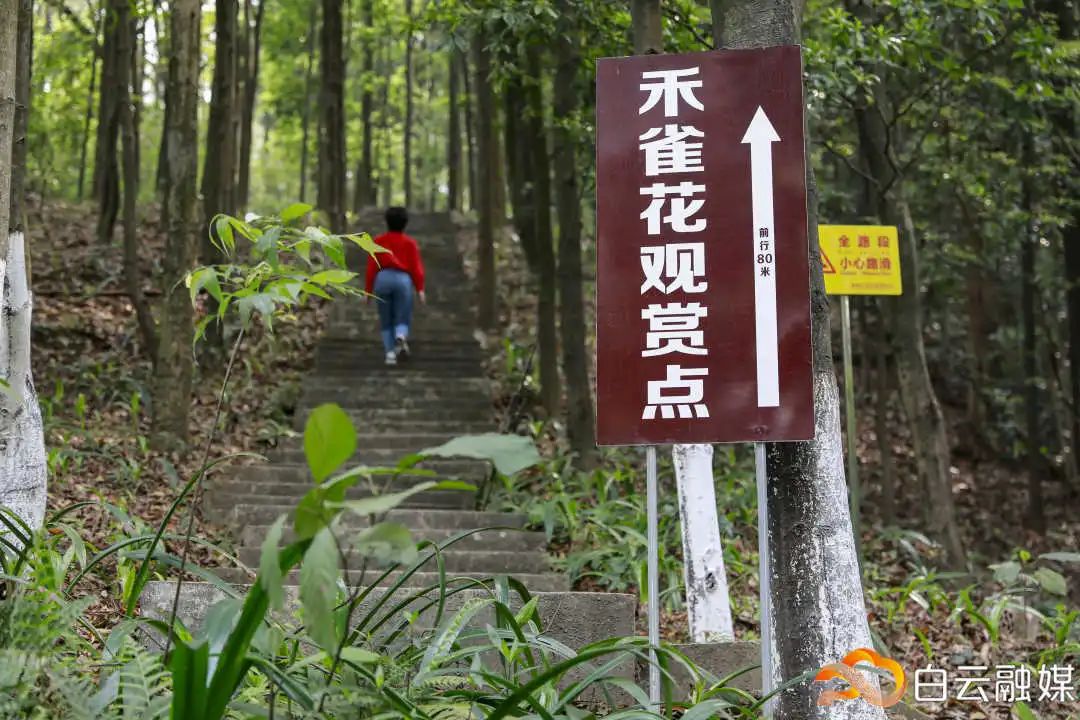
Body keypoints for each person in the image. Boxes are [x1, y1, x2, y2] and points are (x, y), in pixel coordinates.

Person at [366, 206, 426, 365]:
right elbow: (416, 267)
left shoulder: (378, 241)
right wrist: (420, 288)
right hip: (403, 280)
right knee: (402, 313)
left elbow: (372, 267)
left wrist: (368, 291)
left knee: (385, 318)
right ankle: (400, 335)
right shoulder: (410, 243)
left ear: (386, 222)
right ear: (405, 223)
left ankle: (390, 354)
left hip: (382, 278)